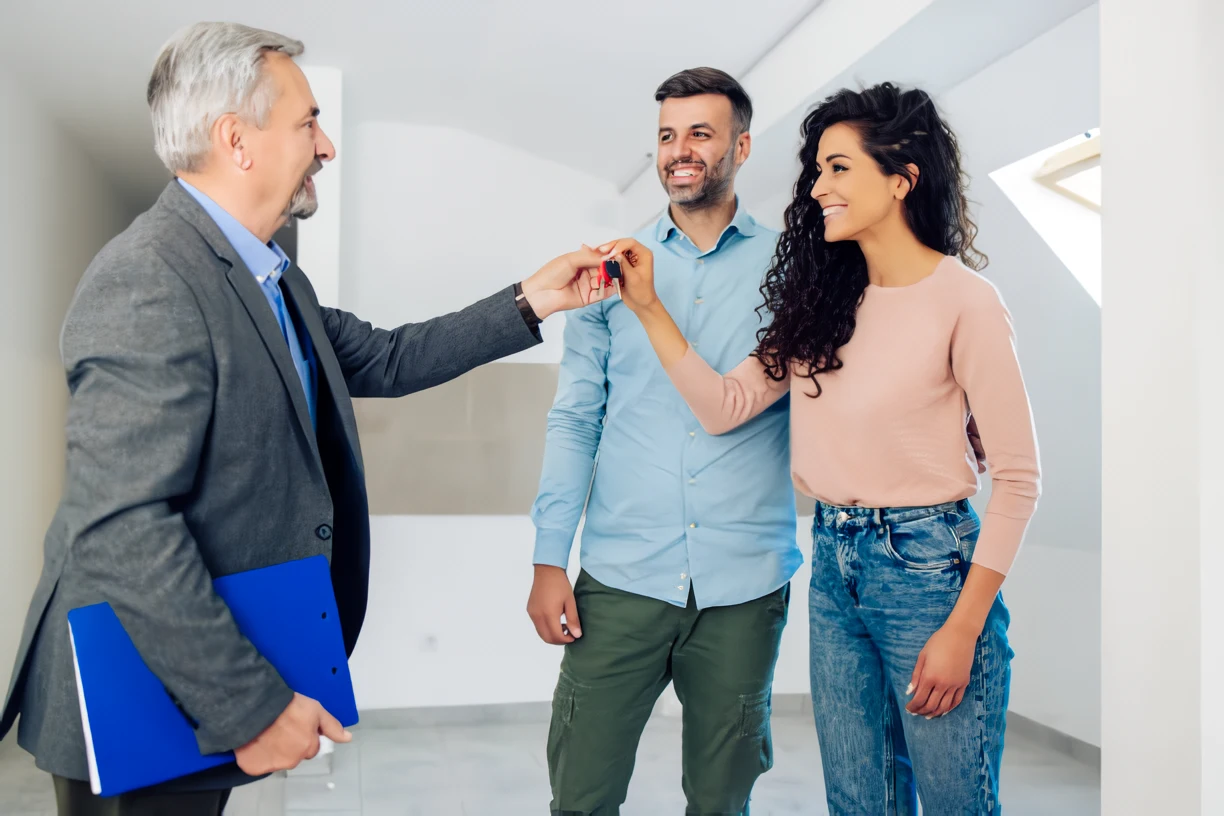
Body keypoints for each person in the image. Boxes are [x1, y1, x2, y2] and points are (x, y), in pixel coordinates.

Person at [0, 22, 609, 816]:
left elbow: (387, 357)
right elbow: (122, 526)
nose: (326, 145)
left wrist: (532, 300)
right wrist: (250, 706)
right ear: (237, 141)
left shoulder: (274, 281)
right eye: (307, 122)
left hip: (181, 676)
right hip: (134, 683)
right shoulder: (148, 277)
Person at [602, 82, 1041, 814]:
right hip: (835, 566)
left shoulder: (964, 300)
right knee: (859, 803)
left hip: (929, 570)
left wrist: (964, 627)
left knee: (956, 802)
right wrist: (648, 308)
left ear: (902, 179)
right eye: (817, 170)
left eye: (838, 168)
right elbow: (725, 406)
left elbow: (1021, 481)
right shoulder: (821, 301)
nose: (817, 188)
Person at [527, 68, 801, 815]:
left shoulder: (794, 270)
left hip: (744, 584)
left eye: (701, 134)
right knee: (581, 796)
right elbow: (576, 417)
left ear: (741, 145)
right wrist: (550, 556)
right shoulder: (606, 273)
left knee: (722, 802)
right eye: (667, 136)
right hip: (620, 580)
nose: (680, 151)